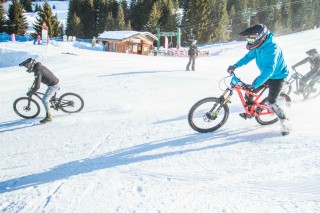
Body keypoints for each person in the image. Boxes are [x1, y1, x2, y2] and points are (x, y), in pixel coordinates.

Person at [227, 24, 291, 136]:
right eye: (248, 38)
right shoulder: (258, 46)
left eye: (252, 38)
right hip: (265, 75)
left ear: (261, 37)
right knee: (249, 92)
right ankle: (251, 112)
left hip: (277, 77)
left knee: (271, 102)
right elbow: (248, 57)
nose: (250, 41)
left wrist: (256, 84)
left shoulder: (272, 49)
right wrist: (235, 65)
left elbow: (269, 70)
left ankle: (285, 121)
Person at [19, 58, 60, 124]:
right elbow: (37, 79)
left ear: (31, 65)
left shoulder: (38, 71)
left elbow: (37, 86)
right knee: (48, 97)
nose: (27, 68)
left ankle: (49, 117)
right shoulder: (38, 67)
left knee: (44, 100)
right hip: (54, 81)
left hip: (53, 85)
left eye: (27, 66)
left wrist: (31, 92)